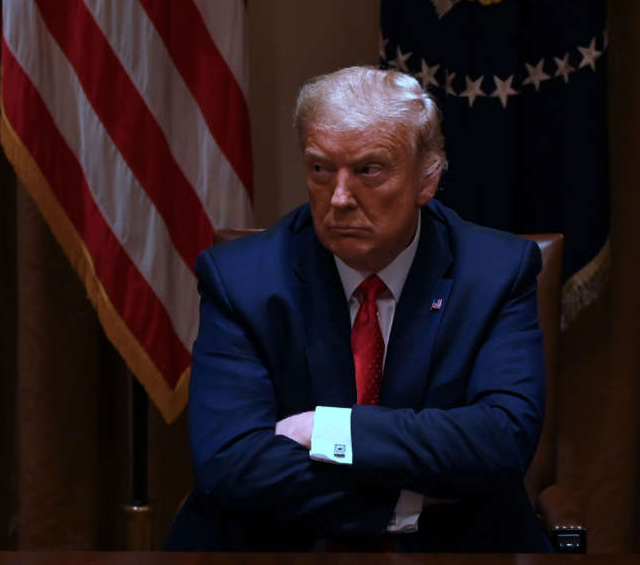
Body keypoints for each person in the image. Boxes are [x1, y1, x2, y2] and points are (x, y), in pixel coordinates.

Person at [166, 66, 549, 552]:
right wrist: (411, 499)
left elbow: (502, 440)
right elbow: (229, 465)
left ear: (426, 180)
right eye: (321, 169)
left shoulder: (496, 273)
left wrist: (328, 429)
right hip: (281, 548)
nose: (339, 199)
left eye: (368, 170)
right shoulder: (241, 279)